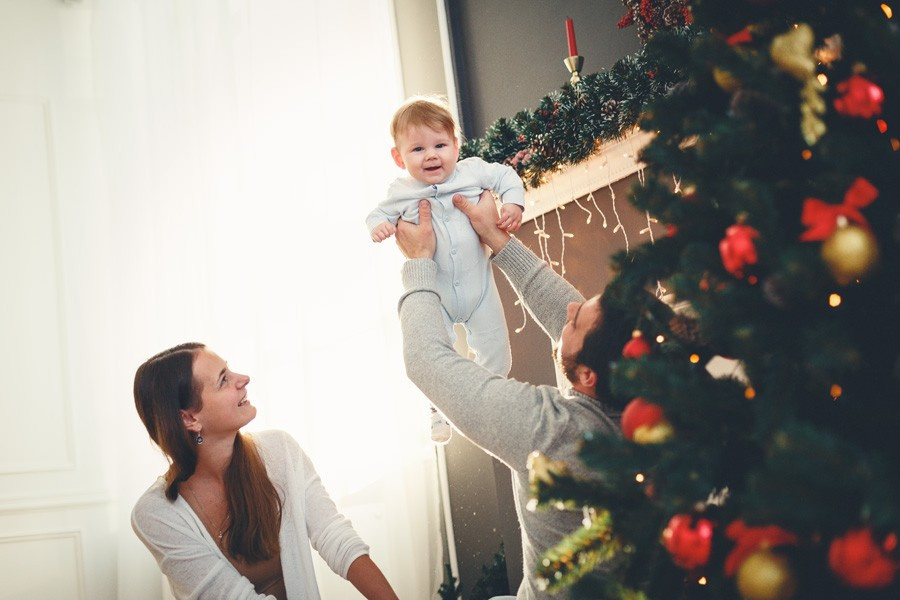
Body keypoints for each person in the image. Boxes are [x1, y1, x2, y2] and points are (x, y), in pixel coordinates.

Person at [394, 194, 632, 600]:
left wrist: (418, 263)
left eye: (578, 319)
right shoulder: (655, 400)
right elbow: (567, 315)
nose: (571, 307)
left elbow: (426, 360)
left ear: (588, 375)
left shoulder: (555, 433)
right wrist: (497, 239)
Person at [131, 343, 399, 600]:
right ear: (190, 419)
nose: (243, 379)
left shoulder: (279, 451)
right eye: (223, 380)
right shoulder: (155, 515)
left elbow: (334, 536)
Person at [366, 95, 526, 443]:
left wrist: (513, 203)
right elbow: (376, 214)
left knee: (497, 350)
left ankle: (488, 401)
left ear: (456, 145)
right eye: (418, 149)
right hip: (435, 294)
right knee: (436, 356)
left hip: (479, 289)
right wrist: (378, 227)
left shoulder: (472, 171)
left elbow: (507, 177)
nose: (432, 155)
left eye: (440, 144)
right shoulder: (400, 191)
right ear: (398, 157)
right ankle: (440, 409)